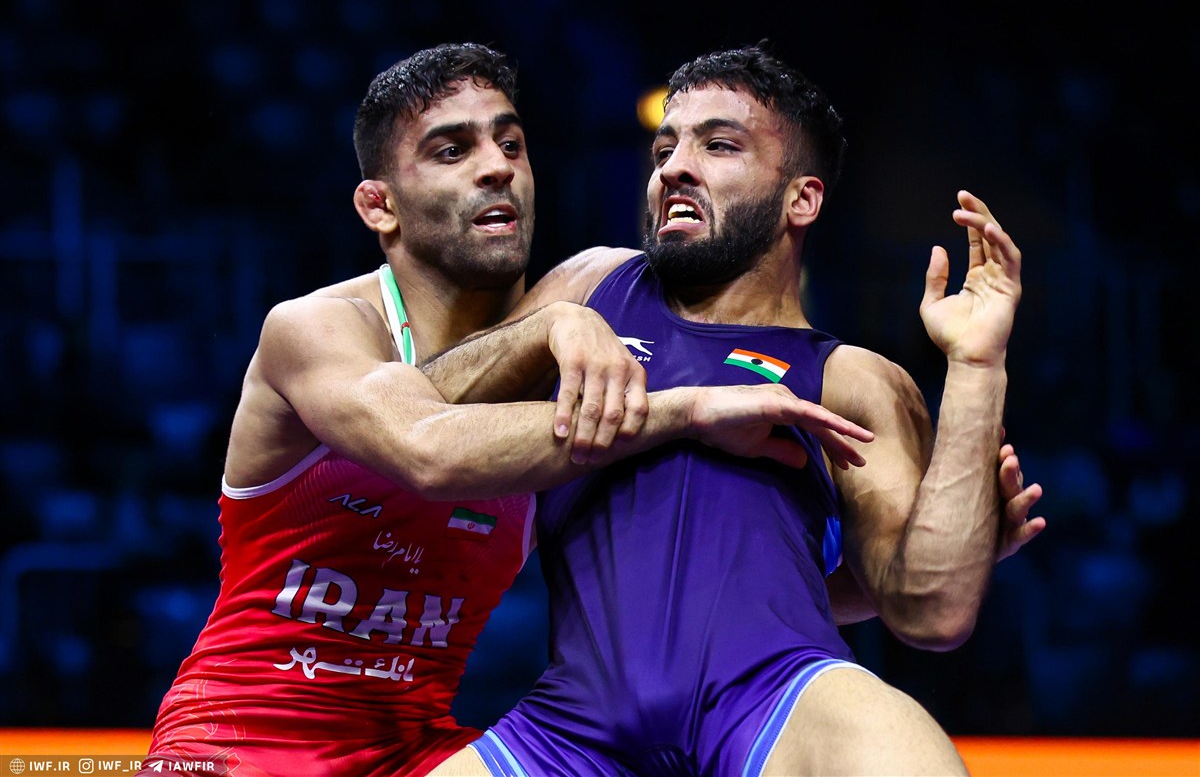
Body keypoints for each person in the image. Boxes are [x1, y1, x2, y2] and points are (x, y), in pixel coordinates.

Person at [138, 43, 876, 777]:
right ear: (379, 206)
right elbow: (430, 448)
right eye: (451, 150)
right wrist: (683, 406)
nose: (496, 167)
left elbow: (710, 585)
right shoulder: (318, 329)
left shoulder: (593, 335)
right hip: (236, 740)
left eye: (511, 144)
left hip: (416, 750)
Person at [427, 44, 1043, 777]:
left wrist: (976, 365)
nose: (674, 169)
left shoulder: (852, 379)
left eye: (718, 145)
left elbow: (930, 609)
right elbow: (418, 421)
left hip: (773, 702)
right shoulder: (593, 288)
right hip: (571, 730)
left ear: (801, 200)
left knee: (910, 760)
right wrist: (545, 327)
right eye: (665, 149)